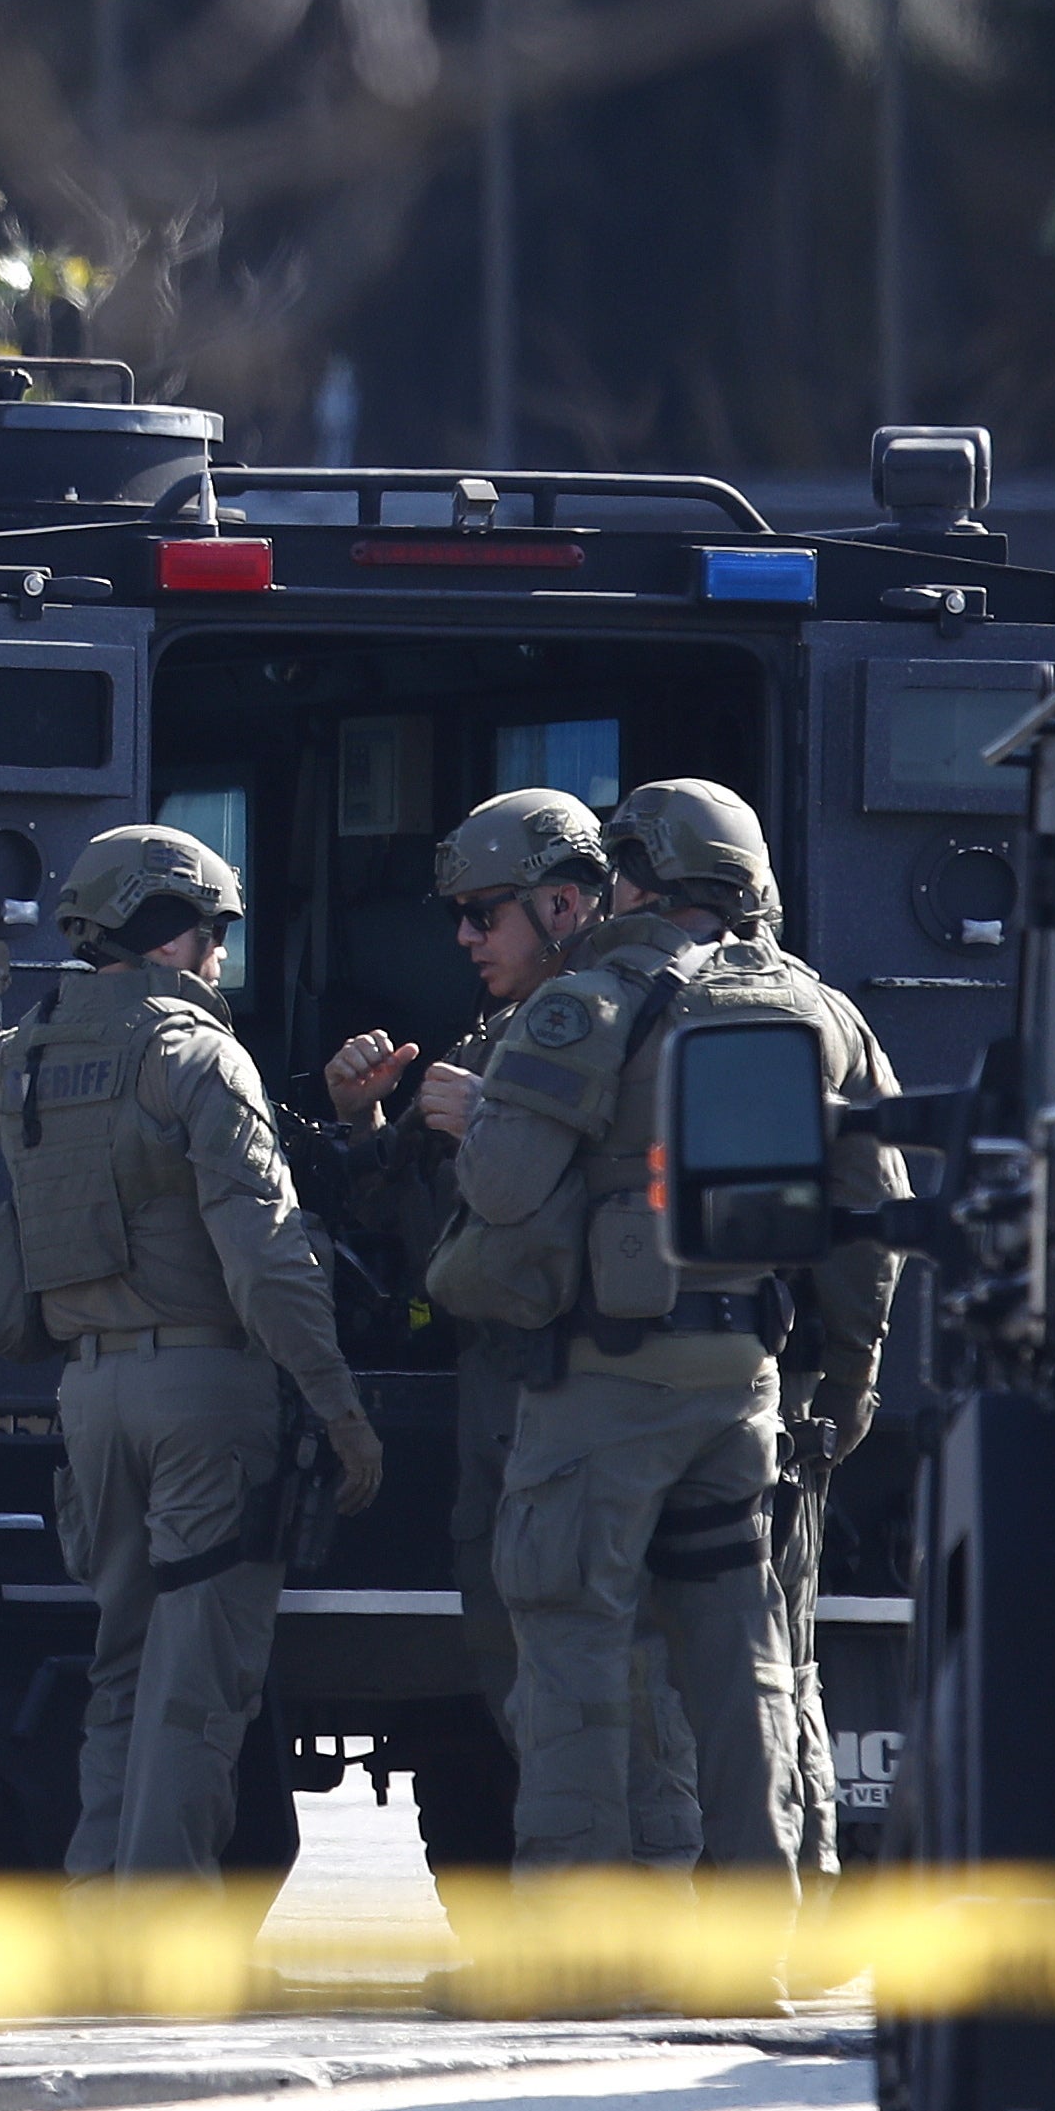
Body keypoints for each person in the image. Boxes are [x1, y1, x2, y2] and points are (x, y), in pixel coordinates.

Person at [0, 827, 385, 1884]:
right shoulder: (195, 1054)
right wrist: (338, 1406)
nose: (219, 957)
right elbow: (267, 1260)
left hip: (92, 1398)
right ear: (174, 935)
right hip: (208, 1395)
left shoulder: (23, 1055)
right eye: (214, 934)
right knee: (198, 1687)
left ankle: (104, 1931)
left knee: (121, 1673)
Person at [313, 790, 697, 1881]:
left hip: (595, 1393)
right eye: (460, 917)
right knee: (514, 1673)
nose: (465, 938)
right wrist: (371, 1130)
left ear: (565, 903)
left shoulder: (631, 1026)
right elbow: (437, 1242)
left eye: (485, 913)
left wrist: (491, 1120)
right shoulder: (498, 1043)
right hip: (503, 1401)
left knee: (616, 1677)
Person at [418, 814, 807, 1890]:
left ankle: (583, 1948)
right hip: (746, 1381)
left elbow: (499, 1188)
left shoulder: (586, 1006)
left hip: (608, 1380)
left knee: (571, 1649)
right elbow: (868, 1210)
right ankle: (751, 1937)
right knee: (741, 1661)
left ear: (623, 887)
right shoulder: (796, 1002)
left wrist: (482, 1111)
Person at [602, 777, 903, 1874]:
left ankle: (691, 1892)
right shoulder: (825, 1012)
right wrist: (852, 1383)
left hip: (654, 1375)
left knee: (676, 1652)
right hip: (782, 1376)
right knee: (785, 1649)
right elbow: (869, 1215)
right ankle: (805, 1883)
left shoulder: (629, 1000)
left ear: (645, 877)